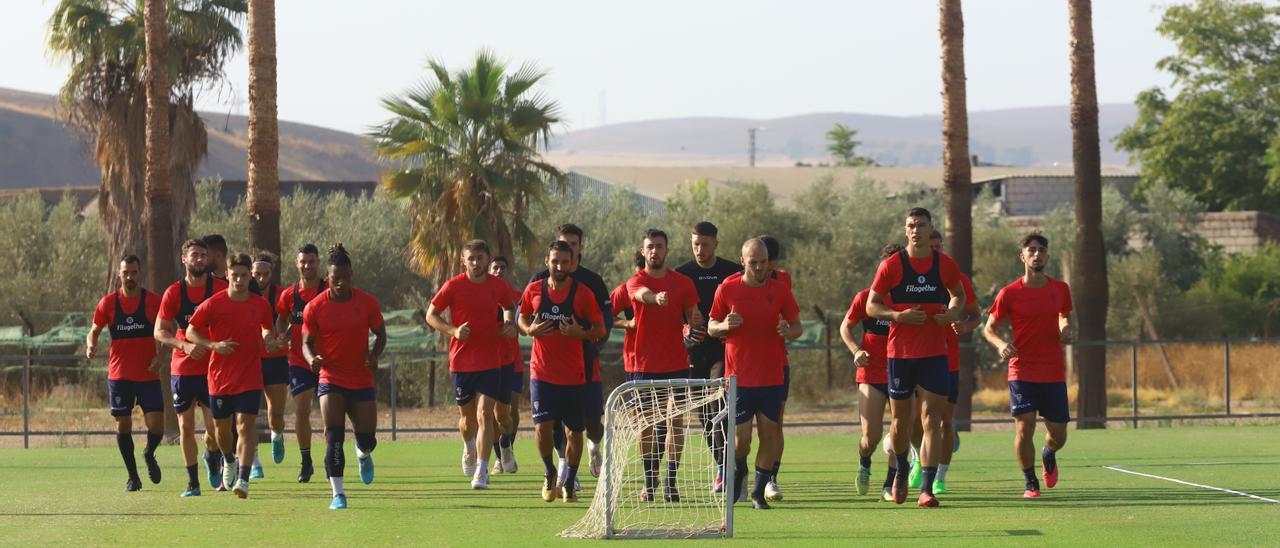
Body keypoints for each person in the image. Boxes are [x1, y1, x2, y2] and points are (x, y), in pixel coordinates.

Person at [866, 207, 966, 507]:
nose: (916, 230)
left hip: (935, 355)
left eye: (921, 225)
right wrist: (898, 315)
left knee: (932, 421)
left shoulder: (944, 264)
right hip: (901, 355)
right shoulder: (892, 266)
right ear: (905, 229)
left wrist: (951, 312)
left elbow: (959, 295)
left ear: (930, 228)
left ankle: (927, 489)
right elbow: (872, 306)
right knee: (900, 422)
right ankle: (900, 469)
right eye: (911, 225)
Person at [708, 238, 802, 510]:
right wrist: (724, 324)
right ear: (742, 261)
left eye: (763, 262)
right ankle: (738, 469)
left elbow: (797, 326)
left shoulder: (781, 290)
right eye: (753, 263)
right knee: (741, 441)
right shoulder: (727, 289)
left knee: (770, 436)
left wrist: (789, 331)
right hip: (739, 378)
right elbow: (712, 325)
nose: (760, 268)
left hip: (772, 376)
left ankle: (758, 493)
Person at [981, 232, 1073, 499]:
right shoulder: (1009, 293)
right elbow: (990, 329)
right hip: (1021, 370)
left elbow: (1063, 315)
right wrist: (1000, 345)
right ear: (1022, 256)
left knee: (1059, 435)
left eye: (1041, 250)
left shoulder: (1060, 289)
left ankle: (1049, 453)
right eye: (1031, 250)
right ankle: (1030, 481)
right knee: (1025, 426)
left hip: (1053, 371)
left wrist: (1065, 328)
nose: (1036, 254)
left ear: (1047, 255)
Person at [185, 253, 281, 498]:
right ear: (227, 274)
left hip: (250, 376)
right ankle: (228, 459)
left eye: (244, 275)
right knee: (221, 431)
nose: (239, 280)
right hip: (219, 378)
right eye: (234, 275)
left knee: (246, 427)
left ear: (250, 276)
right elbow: (191, 331)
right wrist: (213, 345)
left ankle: (244, 479)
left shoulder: (260, 304)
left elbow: (268, 326)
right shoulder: (213, 304)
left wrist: (268, 338)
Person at [302, 243, 388, 510]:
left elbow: (381, 334)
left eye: (345, 278)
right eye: (335, 279)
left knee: (368, 439)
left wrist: (374, 355)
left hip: (361, 379)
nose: (340, 283)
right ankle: (338, 494)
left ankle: (363, 454)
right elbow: (306, 342)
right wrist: (311, 359)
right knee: (334, 437)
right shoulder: (315, 307)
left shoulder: (368, 303)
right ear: (327, 278)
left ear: (352, 277)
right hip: (331, 379)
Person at [426, 240, 517, 489]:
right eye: (471, 258)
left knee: (485, 414)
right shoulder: (453, 286)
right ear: (463, 261)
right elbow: (430, 315)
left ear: (488, 259)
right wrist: (453, 330)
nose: (476, 263)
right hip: (462, 362)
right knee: (468, 422)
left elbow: (509, 307)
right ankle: (468, 447)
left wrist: (509, 324)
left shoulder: (498, 286)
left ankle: (482, 471)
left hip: (491, 360)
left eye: (480, 257)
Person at [519, 240, 605, 502]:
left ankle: (568, 481)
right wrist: (529, 330)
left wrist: (581, 333)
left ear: (572, 263)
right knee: (542, 428)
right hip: (542, 374)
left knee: (574, 433)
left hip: (574, 376)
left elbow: (599, 329)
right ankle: (549, 473)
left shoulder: (583, 294)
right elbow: (521, 317)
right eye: (555, 261)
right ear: (547, 262)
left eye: (565, 262)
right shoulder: (534, 289)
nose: (560, 266)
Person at [625, 229, 701, 502]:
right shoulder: (635, 281)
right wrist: (655, 299)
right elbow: (642, 294)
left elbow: (695, 315)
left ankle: (670, 481)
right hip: (644, 365)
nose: (655, 251)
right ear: (643, 251)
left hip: (677, 363)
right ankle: (649, 480)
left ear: (667, 250)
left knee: (675, 421)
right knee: (645, 424)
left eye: (659, 246)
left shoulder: (683, 282)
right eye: (650, 247)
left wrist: (695, 319)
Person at [154, 238, 228, 496]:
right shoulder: (174, 292)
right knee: (185, 427)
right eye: (194, 255)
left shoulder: (220, 288)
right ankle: (192, 483)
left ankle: (211, 455)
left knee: (215, 429)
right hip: (183, 369)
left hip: (213, 369)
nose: (199, 259)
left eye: (203, 255)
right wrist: (182, 345)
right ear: (184, 260)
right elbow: (159, 331)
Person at [674, 221, 741, 494]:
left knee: (719, 406)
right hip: (693, 354)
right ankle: (722, 466)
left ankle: (729, 468)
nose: (699, 249)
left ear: (716, 243)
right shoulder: (682, 275)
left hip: (723, 352)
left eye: (704, 244)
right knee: (705, 415)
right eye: (695, 244)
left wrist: (732, 326)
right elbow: (674, 317)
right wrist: (685, 329)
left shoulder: (732, 273)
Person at [87, 255, 163, 492]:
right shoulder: (108, 303)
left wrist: (161, 356)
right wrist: (91, 344)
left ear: (140, 273)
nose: (129, 276)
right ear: (119, 274)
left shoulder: (153, 301)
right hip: (120, 376)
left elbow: (169, 329)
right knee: (123, 425)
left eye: (133, 272)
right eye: (125, 272)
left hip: (148, 375)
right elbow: (94, 330)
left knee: (157, 425)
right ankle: (133, 477)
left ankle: (149, 453)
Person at [839, 244, 899, 500]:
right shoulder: (865, 297)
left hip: (902, 373)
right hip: (871, 376)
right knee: (870, 437)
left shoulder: (909, 299)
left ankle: (890, 484)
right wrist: (856, 351)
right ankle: (864, 462)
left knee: (900, 431)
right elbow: (846, 328)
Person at [274, 243, 326, 482]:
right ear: (297, 264)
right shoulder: (289, 295)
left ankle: (331, 457)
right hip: (298, 361)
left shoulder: (328, 290)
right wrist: (281, 335)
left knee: (330, 416)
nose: (307, 265)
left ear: (318, 262)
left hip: (327, 361)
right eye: (303, 261)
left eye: (311, 261)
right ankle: (306, 461)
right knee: (301, 409)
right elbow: (280, 319)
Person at [250, 252, 290, 477]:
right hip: (250, 360)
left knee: (275, 413)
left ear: (271, 274)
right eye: (257, 274)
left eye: (265, 274)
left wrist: (285, 337)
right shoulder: (243, 294)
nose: (261, 278)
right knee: (249, 414)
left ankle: (277, 433)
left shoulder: (282, 294)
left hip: (276, 360)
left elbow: (295, 318)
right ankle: (253, 460)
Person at [488, 255, 524, 475]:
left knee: (512, 411)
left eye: (503, 267)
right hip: (489, 361)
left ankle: (507, 443)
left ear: (508, 271)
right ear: (489, 270)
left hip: (513, 361)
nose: (499, 271)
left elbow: (524, 321)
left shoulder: (518, 297)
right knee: (492, 413)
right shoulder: (484, 296)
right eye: (495, 267)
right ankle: (499, 458)